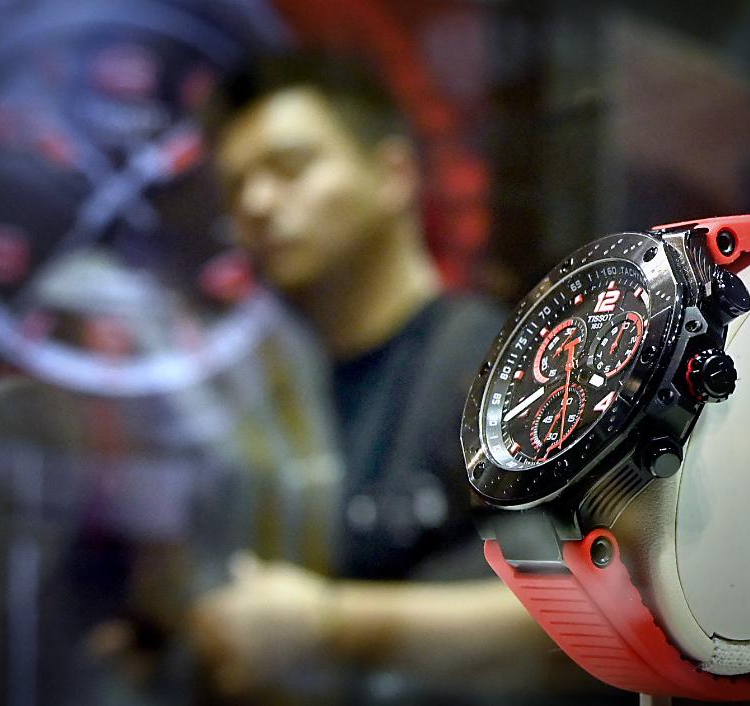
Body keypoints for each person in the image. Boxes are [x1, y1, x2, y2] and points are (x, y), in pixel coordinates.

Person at [184, 54, 600, 703]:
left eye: (290, 167)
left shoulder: (496, 365)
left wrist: (332, 627)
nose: (257, 204)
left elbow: (593, 619)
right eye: (236, 188)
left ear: (392, 174)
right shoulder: (278, 407)